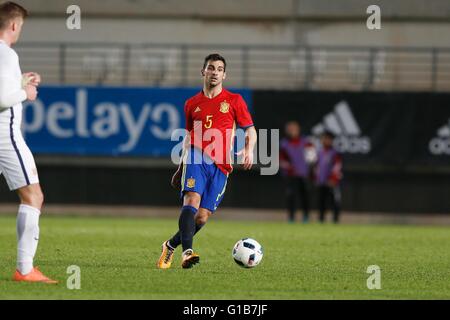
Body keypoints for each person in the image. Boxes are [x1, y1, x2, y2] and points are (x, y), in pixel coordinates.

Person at [157, 53, 257, 269]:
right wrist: (181, 166)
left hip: (221, 166)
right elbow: (188, 137)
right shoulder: (192, 104)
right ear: (203, 71)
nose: (215, 72)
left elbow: (251, 130)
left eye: (219, 69)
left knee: (201, 217)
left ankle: (170, 245)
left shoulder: (234, 100)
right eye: (211, 68)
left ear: (224, 75)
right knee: (191, 201)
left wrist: (248, 149)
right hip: (196, 156)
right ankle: (187, 253)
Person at [0, 1, 57, 283]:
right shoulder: (6, 54)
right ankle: (24, 269)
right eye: (20, 26)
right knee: (33, 196)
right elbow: (1, 99)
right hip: (5, 138)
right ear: (13, 25)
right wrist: (27, 93)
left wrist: (21, 81)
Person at [279, 121, 314, 223]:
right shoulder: (284, 144)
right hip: (291, 175)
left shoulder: (306, 142)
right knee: (291, 196)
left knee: (305, 196)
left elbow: (311, 159)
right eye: (290, 129)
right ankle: (291, 218)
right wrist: (289, 167)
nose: (292, 131)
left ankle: (306, 217)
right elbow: (281, 160)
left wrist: (311, 171)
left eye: (294, 129)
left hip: (304, 175)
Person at [315, 131, 343, 224]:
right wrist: (317, 178)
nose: (325, 141)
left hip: (332, 182)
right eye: (323, 138)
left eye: (327, 139)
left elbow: (337, 166)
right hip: (321, 181)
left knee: (334, 201)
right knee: (321, 202)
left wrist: (333, 179)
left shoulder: (335, 153)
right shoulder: (319, 152)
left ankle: (335, 220)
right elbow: (317, 166)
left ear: (331, 140)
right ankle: (321, 220)